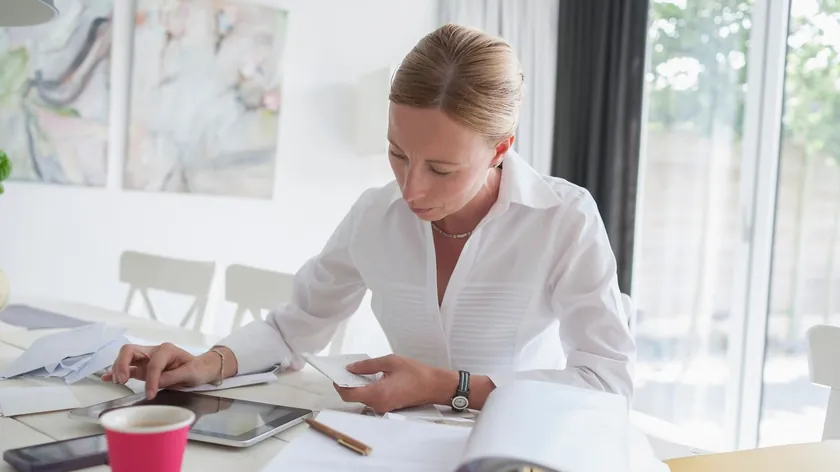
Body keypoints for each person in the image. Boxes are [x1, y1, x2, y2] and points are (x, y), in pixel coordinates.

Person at [104, 24, 636, 413]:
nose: (411, 189)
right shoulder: (373, 216)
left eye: (442, 169)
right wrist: (208, 362)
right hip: (384, 448)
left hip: (515, 450)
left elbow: (606, 380)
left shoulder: (563, 218)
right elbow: (292, 330)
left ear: (501, 148)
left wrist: (448, 386)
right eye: (397, 154)